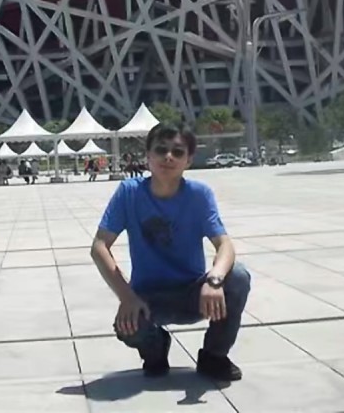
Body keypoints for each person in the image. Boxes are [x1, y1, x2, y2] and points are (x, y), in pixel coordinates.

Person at [90, 123, 250, 382]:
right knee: (128, 327)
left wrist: (214, 280)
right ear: (148, 156)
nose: (168, 157)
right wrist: (127, 297)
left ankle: (214, 356)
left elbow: (225, 244)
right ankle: (155, 349)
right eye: (160, 150)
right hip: (148, 299)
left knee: (238, 276)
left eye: (177, 152)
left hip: (193, 294)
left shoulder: (199, 195)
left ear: (189, 160)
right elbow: (99, 246)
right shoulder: (129, 193)